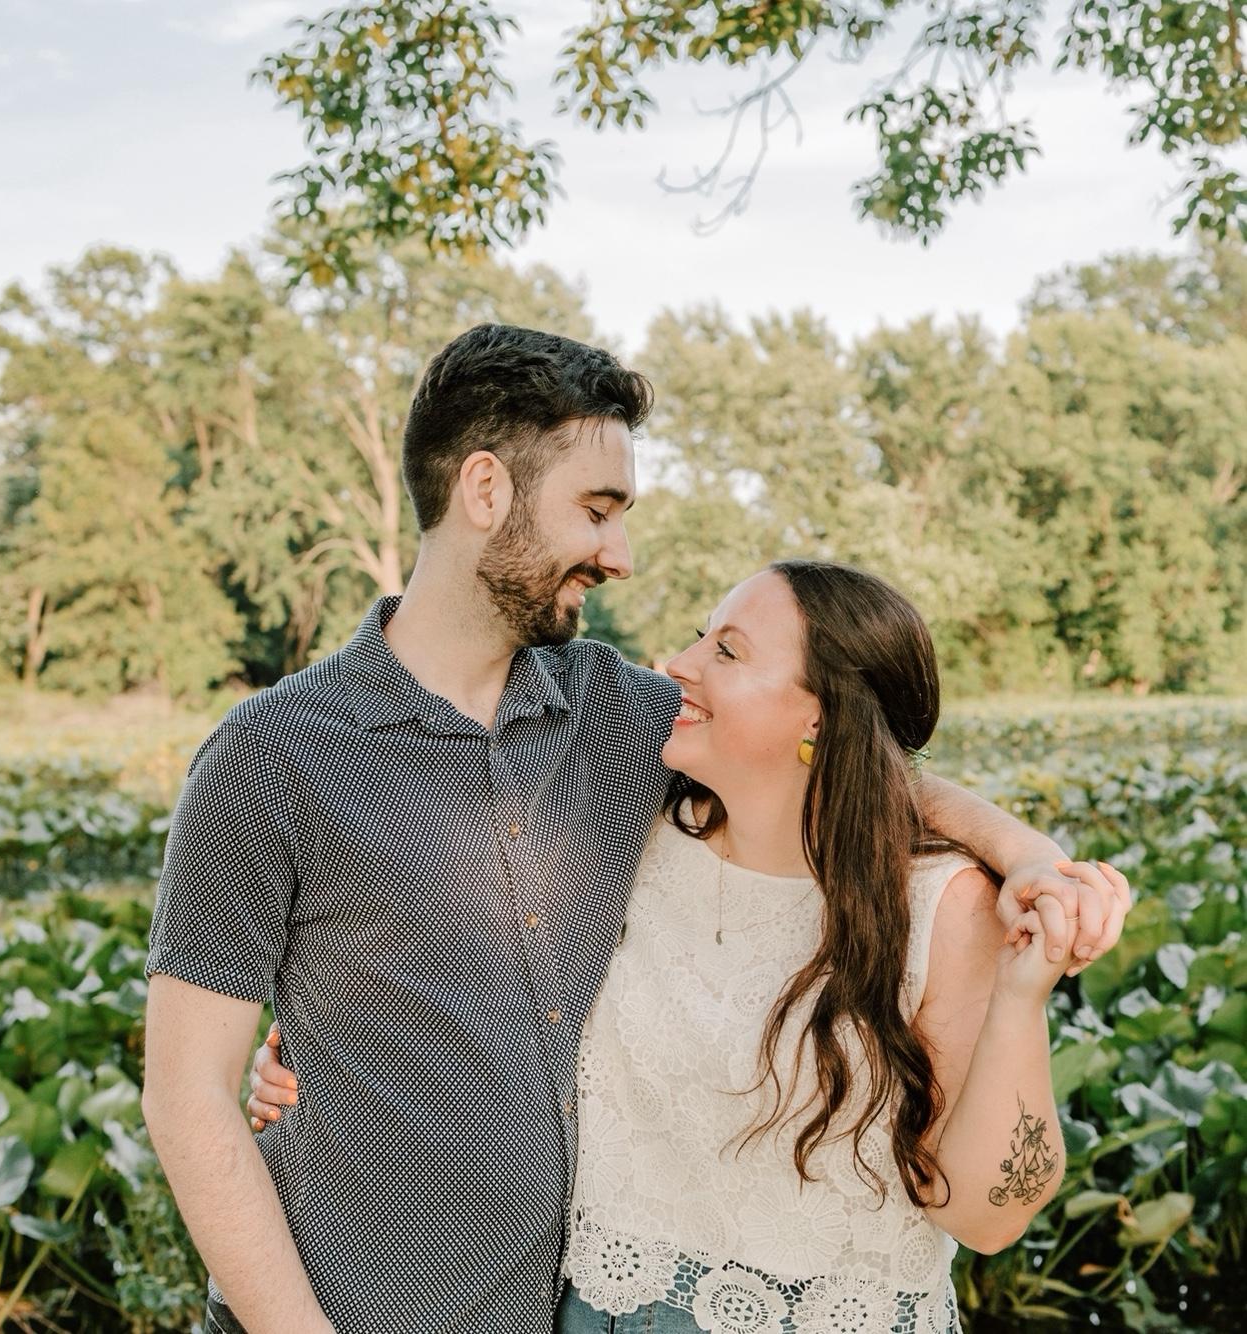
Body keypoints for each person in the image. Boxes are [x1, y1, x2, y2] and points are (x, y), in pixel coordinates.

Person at [142, 324, 1129, 1334]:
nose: (617, 553)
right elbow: (186, 1098)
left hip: (564, 1310)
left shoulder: (619, 715)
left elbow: (838, 760)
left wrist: (1024, 856)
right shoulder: (270, 755)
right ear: (485, 491)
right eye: (596, 510)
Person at [247, 561, 1129, 1332]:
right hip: (595, 1314)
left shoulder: (945, 906)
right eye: (700, 636)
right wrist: (331, 1056)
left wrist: (1022, 973)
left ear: (821, 721)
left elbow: (990, 1215)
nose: (679, 665)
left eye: (730, 652)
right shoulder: (634, 836)